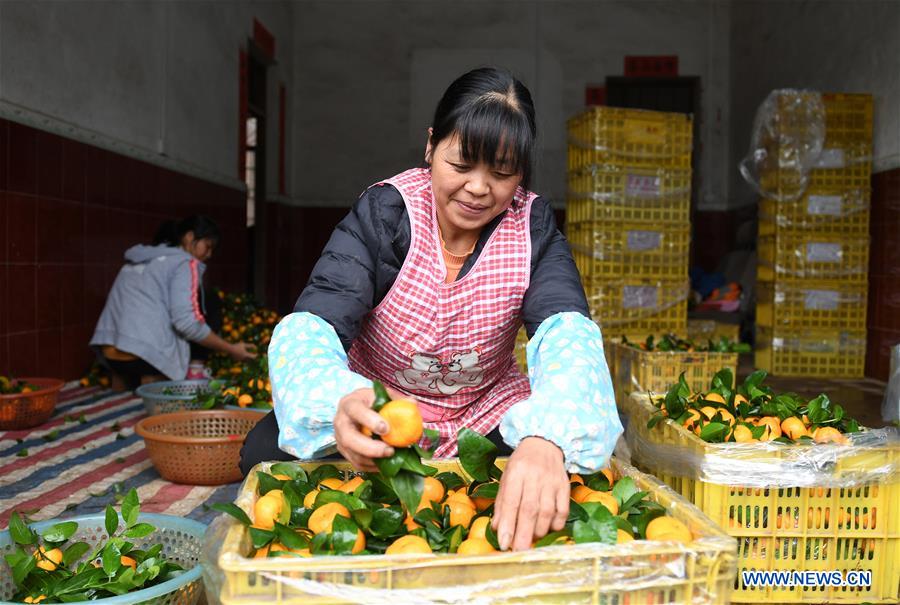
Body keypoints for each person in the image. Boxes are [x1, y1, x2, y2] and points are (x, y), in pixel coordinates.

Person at [240, 67, 622, 551]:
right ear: (430, 147)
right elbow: (317, 321)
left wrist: (547, 438)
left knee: (563, 472)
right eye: (462, 164)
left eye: (502, 172)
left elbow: (567, 330)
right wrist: (338, 404)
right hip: (382, 411)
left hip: (485, 414)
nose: (479, 188)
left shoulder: (533, 225)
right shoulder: (386, 213)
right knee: (263, 452)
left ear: (521, 173)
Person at [90, 215, 256, 391]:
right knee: (210, 301)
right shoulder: (184, 263)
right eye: (207, 247)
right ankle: (195, 370)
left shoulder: (139, 258)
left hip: (109, 354)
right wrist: (231, 349)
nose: (209, 255)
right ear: (189, 237)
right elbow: (186, 323)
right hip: (145, 358)